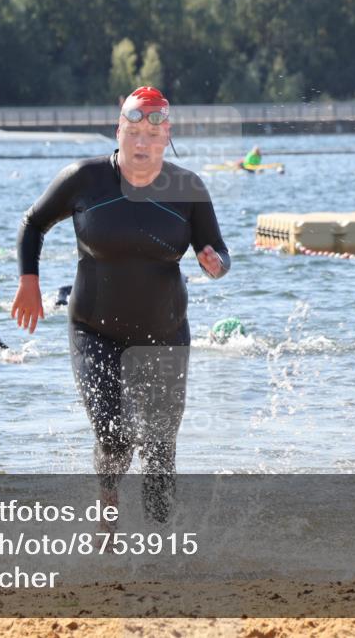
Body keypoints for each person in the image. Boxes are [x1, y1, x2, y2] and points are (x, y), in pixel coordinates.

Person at [12, 86, 230, 524]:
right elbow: (33, 223)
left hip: (165, 335)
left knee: (159, 457)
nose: (142, 146)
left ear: (166, 136)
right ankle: (107, 509)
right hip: (96, 331)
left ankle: (159, 545)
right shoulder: (85, 179)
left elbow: (220, 254)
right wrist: (29, 281)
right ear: (119, 131)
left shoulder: (187, 189)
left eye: (152, 137)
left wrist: (214, 264)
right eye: (133, 135)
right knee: (115, 437)